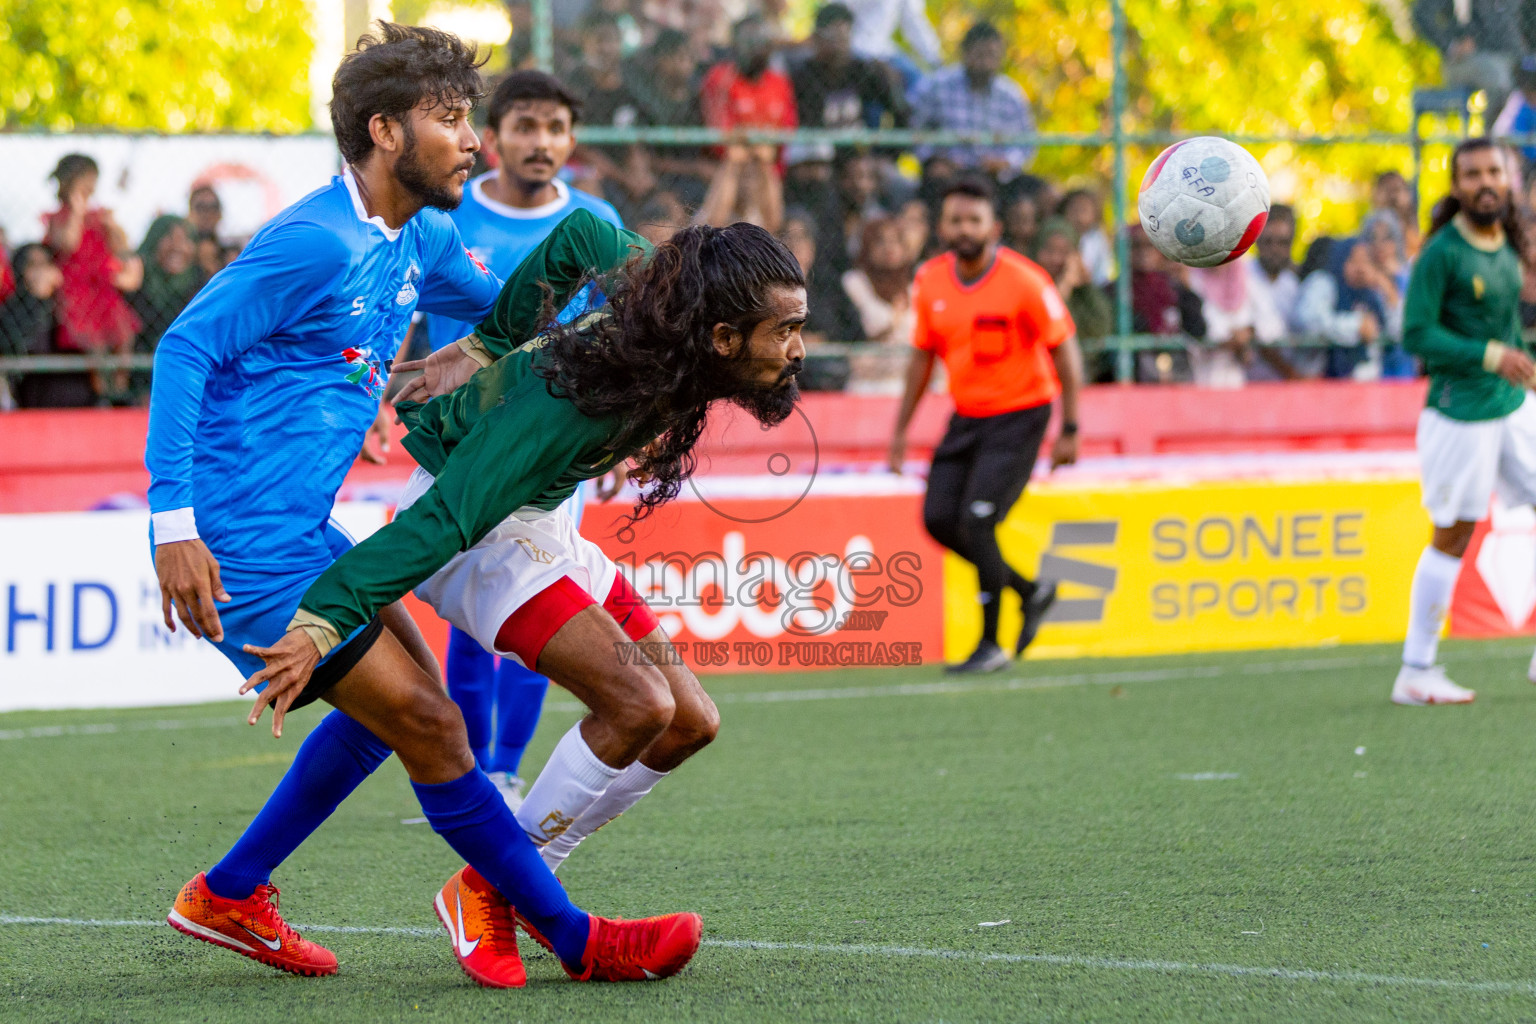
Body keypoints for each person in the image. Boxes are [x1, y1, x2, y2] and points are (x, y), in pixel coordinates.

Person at [151, 23, 694, 989]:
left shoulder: (425, 232)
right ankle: (574, 938)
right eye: (451, 120)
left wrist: (497, 352)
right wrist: (174, 527)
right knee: (438, 729)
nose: (474, 141)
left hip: (306, 527)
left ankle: (230, 891)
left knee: (398, 712)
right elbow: (183, 350)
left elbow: (509, 307)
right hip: (238, 541)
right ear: (385, 131)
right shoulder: (314, 241)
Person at [239, 209, 806, 976]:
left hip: (537, 529)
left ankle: (493, 888)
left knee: (689, 722)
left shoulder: (667, 291)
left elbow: (580, 236)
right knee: (640, 704)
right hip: (481, 542)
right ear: (724, 338)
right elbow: (445, 519)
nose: (798, 349)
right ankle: (496, 887)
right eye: (786, 330)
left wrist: (484, 339)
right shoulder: (569, 407)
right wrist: (321, 621)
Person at [419, 68, 625, 812]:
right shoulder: (447, 214)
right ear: (495, 135)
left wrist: (613, 441)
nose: (542, 142)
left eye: (556, 128)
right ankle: (471, 770)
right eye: (527, 126)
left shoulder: (596, 220)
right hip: (458, 444)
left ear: (571, 141)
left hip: (549, 449)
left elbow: (625, 343)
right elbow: (412, 312)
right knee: (469, 617)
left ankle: (506, 768)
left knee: (543, 603)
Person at [887, 177, 1081, 673]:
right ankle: (1029, 590)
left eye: (974, 220)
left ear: (994, 227)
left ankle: (991, 644)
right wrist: (900, 430)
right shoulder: (930, 279)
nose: (964, 228)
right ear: (942, 227)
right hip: (967, 416)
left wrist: (1071, 428)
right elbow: (921, 359)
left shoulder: (1026, 280)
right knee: (937, 520)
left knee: (978, 521)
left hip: (1021, 415)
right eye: (955, 219)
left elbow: (1065, 349)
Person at [1394, 137, 1536, 705]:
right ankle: (1416, 670)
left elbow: (1505, 330)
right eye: (1472, 173)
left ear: (1510, 179)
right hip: (1459, 412)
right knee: (1454, 534)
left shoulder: (1507, 245)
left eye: (1493, 171)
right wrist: (1490, 355)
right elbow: (1416, 334)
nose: (1484, 182)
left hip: (1509, 404)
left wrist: (1519, 357)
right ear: (1455, 186)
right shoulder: (1442, 254)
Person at [43, 154, 144, 403]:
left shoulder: (99, 216)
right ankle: (99, 388)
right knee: (93, 343)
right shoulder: (59, 217)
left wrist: (112, 226)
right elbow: (69, 244)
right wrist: (77, 213)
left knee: (123, 335)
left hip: (102, 286)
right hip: (77, 289)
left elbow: (121, 244)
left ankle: (120, 383)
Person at [909, 21, 1034, 179]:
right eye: (980, 54)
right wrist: (934, 159)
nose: (986, 62)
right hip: (947, 176)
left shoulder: (1011, 95)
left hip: (995, 179)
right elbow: (914, 129)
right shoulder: (937, 86)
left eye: (992, 55)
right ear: (966, 53)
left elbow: (1026, 143)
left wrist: (1006, 162)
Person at [788, 3, 909, 164]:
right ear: (817, 39)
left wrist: (886, 157)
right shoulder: (802, 76)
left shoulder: (865, 71)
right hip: (816, 160)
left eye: (843, 37)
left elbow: (901, 112)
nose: (838, 46)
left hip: (859, 160)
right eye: (832, 38)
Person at [1412, 0, 1524, 125]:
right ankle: (1492, 138)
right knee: (1498, 78)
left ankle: (1522, 140)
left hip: (1514, 59)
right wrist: (1451, 45)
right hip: (1466, 62)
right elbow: (1421, 13)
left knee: (1522, 76)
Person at [1032, 219, 1111, 346]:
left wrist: (1086, 284)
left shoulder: (1081, 292)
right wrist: (1064, 285)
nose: (1055, 259)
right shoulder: (1027, 288)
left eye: (1063, 251)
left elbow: (1100, 328)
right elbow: (1047, 327)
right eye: (1049, 250)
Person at [841, 215, 915, 344]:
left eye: (895, 241)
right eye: (880, 241)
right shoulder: (855, 281)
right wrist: (894, 319)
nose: (889, 248)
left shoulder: (914, 285)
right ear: (868, 247)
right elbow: (872, 326)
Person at [1060, 188, 1113, 287]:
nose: (1079, 216)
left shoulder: (1098, 239)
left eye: (1084, 210)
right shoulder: (1059, 235)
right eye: (1074, 209)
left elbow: (1101, 274)